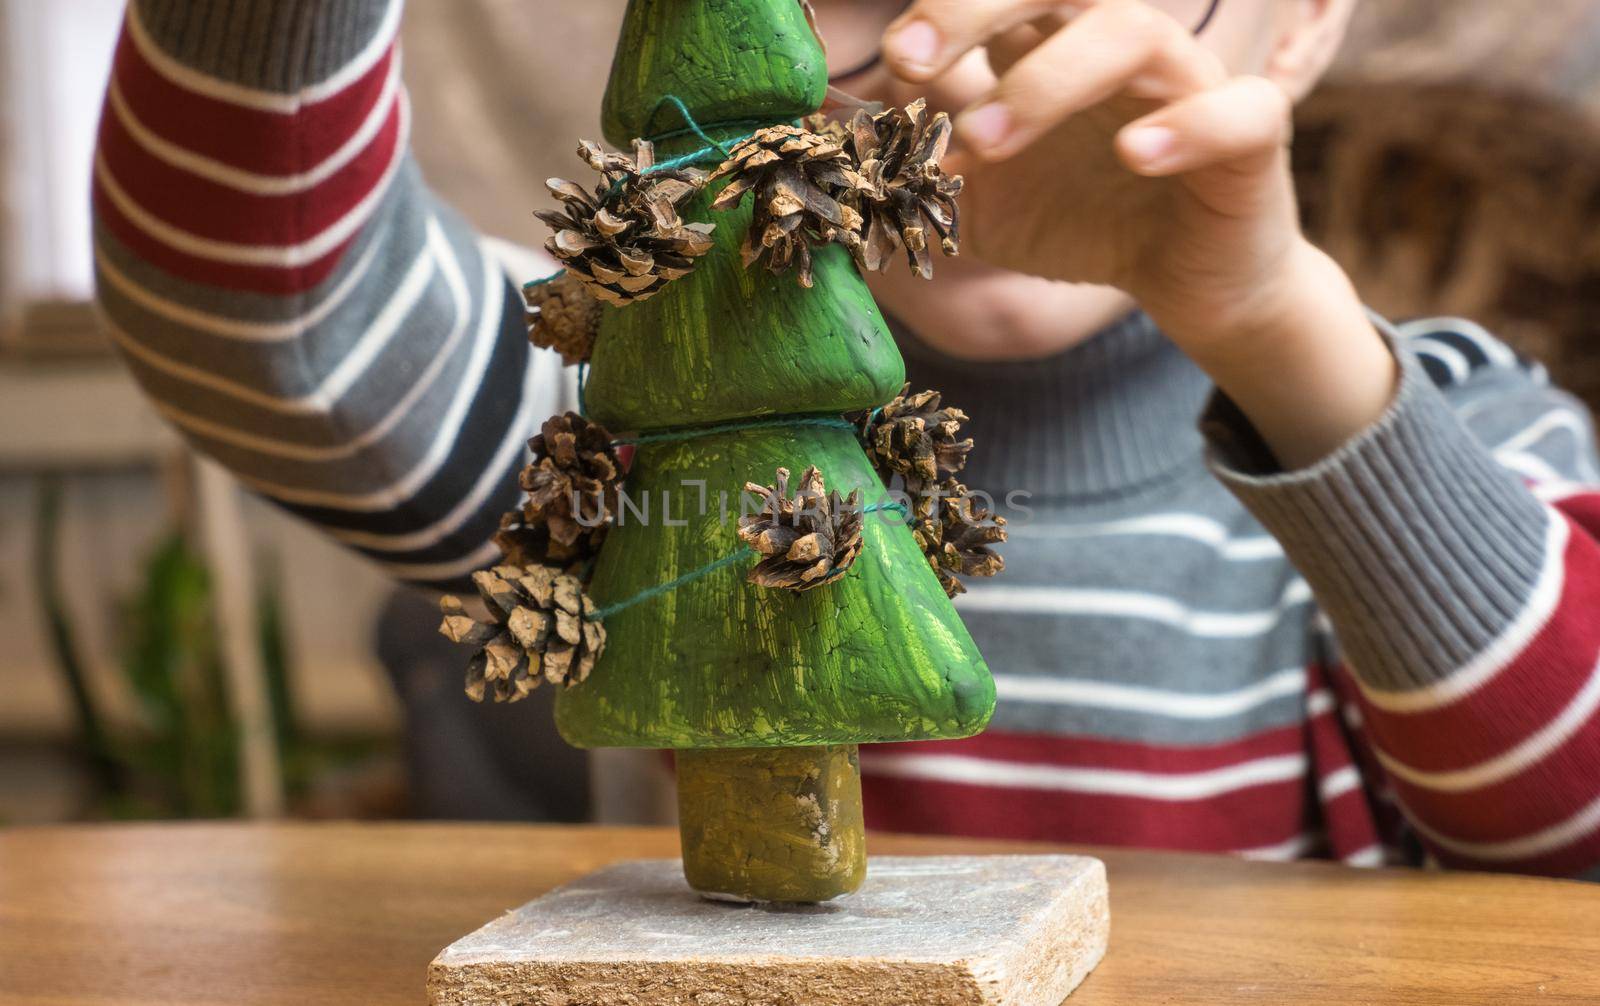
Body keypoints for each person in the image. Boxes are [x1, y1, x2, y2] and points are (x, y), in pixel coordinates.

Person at [91, 0, 1600, 875]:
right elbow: (258, 307)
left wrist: (1272, 315)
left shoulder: (1435, 439)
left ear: (1307, 24)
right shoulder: (614, 419)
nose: (986, 54)